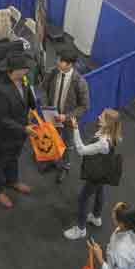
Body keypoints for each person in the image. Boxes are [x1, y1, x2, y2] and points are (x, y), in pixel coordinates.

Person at [63, 109, 123, 240]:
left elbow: (81, 150)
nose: (98, 116)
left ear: (107, 123)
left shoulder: (103, 142)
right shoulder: (112, 134)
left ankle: (80, 229)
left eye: (101, 116)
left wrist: (75, 129)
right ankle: (96, 216)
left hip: (96, 174)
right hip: (105, 170)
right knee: (100, 190)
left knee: (83, 198)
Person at [0, 52, 38, 209]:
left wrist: (30, 112)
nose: (27, 70)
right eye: (24, 68)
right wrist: (24, 128)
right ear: (14, 70)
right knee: (1, 162)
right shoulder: (2, 91)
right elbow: (2, 119)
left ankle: (12, 181)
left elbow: (27, 101)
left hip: (20, 132)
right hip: (5, 135)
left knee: (15, 157)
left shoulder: (22, 81)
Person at [42, 50, 90, 184]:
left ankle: (65, 166)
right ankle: (53, 161)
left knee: (68, 145)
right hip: (52, 115)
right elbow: (44, 89)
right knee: (52, 138)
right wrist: (46, 107)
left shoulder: (80, 82)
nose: (58, 62)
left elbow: (84, 106)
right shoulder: (53, 72)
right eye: (58, 59)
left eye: (61, 61)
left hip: (68, 121)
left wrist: (67, 117)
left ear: (70, 64)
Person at [87, 202, 135, 269]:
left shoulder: (121, 251)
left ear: (121, 223)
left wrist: (100, 259)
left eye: (114, 212)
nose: (113, 211)